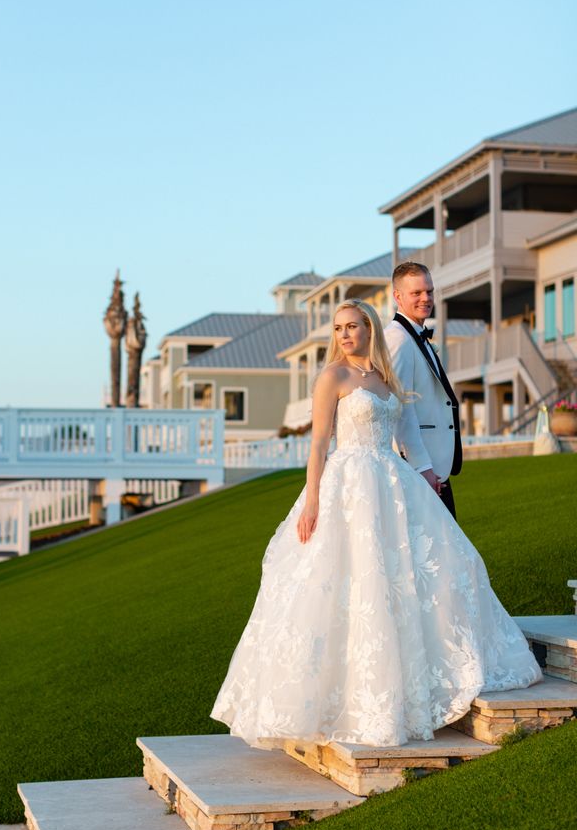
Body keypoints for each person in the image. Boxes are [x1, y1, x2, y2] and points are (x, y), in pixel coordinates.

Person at [211, 300, 541, 749]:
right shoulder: (333, 377)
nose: (345, 334)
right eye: (339, 328)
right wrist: (312, 502)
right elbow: (319, 445)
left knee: (438, 568)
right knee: (347, 584)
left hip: (392, 482)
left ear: (370, 329)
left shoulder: (388, 379)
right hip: (348, 485)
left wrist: (427, 476)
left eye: (353, 326)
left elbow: (406, 436)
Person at [385, 261, 461, 519]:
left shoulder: (417, 335)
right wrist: (422, 467)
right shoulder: (397, 338)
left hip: (433, 467)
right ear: (398, 296)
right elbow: (399, 408)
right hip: (420, 469)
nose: (426, 298)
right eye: (416, 293)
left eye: (429, 291)